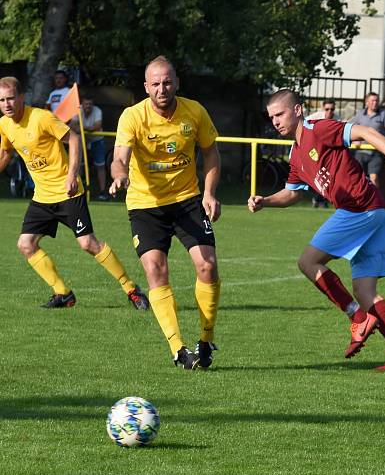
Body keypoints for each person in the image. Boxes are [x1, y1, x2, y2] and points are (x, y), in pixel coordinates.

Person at [248, 89, 385, 371]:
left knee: (308, 261)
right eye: (272, 117)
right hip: (377, 211)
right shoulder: (295, 154)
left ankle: (357, 319)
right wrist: (265, 201)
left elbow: (366, 132)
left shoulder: (317, 130)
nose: (276, 122)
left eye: (280, 114)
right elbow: (293, 194)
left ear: (298, 110)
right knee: (364, 291)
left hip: (359, 207)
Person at [109, 56, 222, 371]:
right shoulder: (133, 116)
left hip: (187, 199)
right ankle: (179, 350)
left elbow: (211, 152)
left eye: (167, 82)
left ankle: (205, 339)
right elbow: (120, 157)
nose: (162, 88)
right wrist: (119, 175)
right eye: (155, 83)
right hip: (146, 203)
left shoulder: (194, 111)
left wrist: (210, 193)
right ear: (146, 87)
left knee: (208, 267)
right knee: (156, 269)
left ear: (177, 82)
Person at [0, 76, 149, 311]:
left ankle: (131, 288)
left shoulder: (41, 117)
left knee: (88, 244)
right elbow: (6, 152)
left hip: (68, 192)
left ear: (21, 98)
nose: (6, 104)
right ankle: (63, 293)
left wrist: (71, 175)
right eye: (1, 100)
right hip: (42, 197)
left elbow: (75, 139)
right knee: (25, 244)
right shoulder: (5, 125)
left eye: (10, 98)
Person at [350, 92, 385, 188]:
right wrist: (354, 141)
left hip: (376, 151)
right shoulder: (360, 114)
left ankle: (375, 201)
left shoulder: (383, 114)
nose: (375, 103)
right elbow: (351, 127)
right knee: (358, 177)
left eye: (376, 100)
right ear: (367, 102)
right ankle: (359, 201)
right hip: (360, 150)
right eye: (373, 100)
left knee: (373, 178)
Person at [70, 96, 109, 200]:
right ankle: (77, 190)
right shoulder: (77, 110)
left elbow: (97, 126)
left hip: (97, 140)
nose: (88, 106)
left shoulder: (97, 111)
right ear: (82, 104)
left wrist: (82, 128)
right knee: (77, 164)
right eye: (86, 104)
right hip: (82, 140)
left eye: (90, 104)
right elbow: (72, 125)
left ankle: (102, 192)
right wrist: (81, 129)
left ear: (93, 105)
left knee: (100, 165)